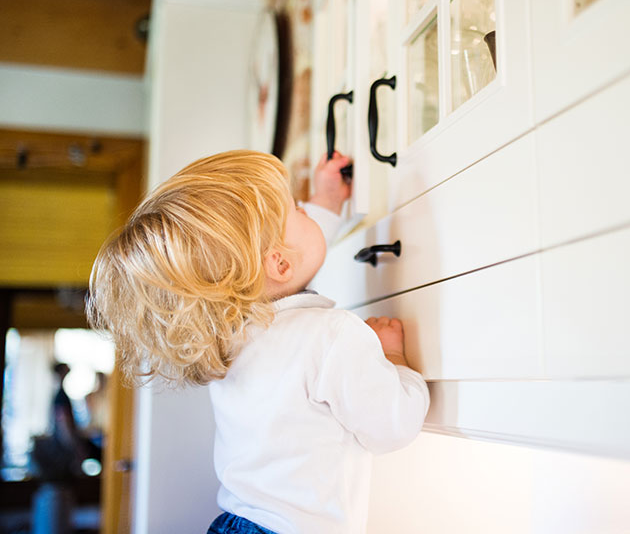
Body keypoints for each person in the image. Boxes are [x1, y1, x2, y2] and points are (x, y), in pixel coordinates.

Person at [86, 150, 429, 534]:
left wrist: (327, 201)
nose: (305, 209)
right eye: (299, 209)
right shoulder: (332, 335)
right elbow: (394, 426)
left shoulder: (228, 338)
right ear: (279, 263)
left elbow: (287, 255)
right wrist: (394, 357)